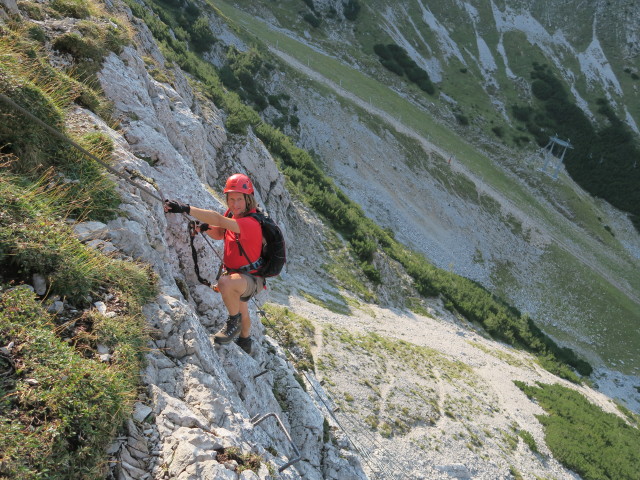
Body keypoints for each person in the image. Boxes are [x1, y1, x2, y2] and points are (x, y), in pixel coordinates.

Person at [164, 173, 265, 354]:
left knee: (226, 284)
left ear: (248, 199)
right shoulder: (234, 215)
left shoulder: (251, 222)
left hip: (250, 279)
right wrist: (205, 228)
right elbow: (220, 233)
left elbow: (218, 219)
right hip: (242, 276)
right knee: (242, 305)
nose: (235, 204)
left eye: (239, 199)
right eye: (231, 199)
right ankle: (245, 341)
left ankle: (233, 324)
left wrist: (185, 208)